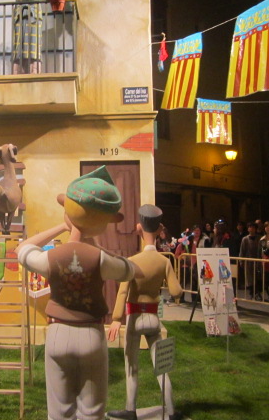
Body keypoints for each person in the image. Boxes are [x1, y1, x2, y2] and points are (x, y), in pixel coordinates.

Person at [15, 166, 134, 420]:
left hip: (57, 332)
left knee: (59, 409)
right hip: (91, 334)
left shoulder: (50, 258)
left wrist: (62, 227)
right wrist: (94, 242)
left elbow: (22, 249)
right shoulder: (101, 259)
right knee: (91, 410)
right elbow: (129, 269)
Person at [106, 205, 183, 420]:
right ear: (159, 229)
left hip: (134, 317)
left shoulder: (132, 261)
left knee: (131, 366)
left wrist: (116, 319)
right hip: (153, 318)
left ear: (139, 228)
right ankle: (171, 410)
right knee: (161, 366)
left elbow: (123, 292)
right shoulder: (164, 261)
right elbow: (176, 291)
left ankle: (130, 409)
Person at [174, 225, 209, 302]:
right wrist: (181, 257)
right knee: (183, 281)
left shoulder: (193, 246)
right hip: (183, 266)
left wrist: (192, 266)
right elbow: (176, 255)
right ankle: (180, 297)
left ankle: (195, 298)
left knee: (194, 281)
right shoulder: (180, 246)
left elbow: (194, 256)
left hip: (192, 266)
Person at [239, 222, 261, 298]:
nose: (251, 229)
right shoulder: (245, 239)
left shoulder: (259, 238)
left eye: (253, 227)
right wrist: (241, 261)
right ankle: (252, 293)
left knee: (258, 277)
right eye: (250, 227)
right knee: (249, 278)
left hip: (258, 260)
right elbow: (242, 250)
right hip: (248, 261)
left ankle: (258, 292)